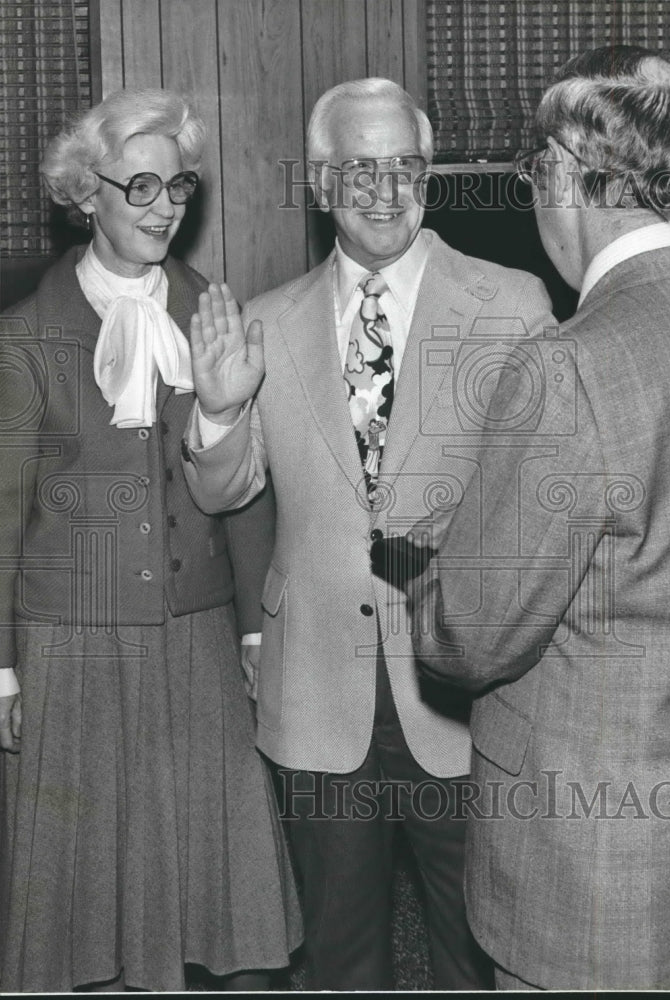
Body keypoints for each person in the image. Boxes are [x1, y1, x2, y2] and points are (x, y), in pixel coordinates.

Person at [181, 78, 553, 989]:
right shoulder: (266, 321)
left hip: (464, 693)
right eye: (359, 169)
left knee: (480, 956)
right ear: (318, 183)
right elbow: (228, 494)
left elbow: (542, 505)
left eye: (405, 168)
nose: (385, 192)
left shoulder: (513, 305)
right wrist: (220, 415)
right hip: (316, 693)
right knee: (341, 961)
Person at [409, 45, 670, 990]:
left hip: (587, 879)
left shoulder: (568, 367)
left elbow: (470, 638)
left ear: (563, 173)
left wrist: (427, 579)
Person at [0, 88, 301, 993]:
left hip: (197, 638)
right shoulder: (21, 338)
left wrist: (252, 629)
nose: (164, 205)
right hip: (70, 645)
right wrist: (1, 668)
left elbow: (245, 496)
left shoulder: (210, 310)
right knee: (81, 905)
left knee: (212, 895)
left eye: (178, 185)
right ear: (83, 193)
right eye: (139, 185)